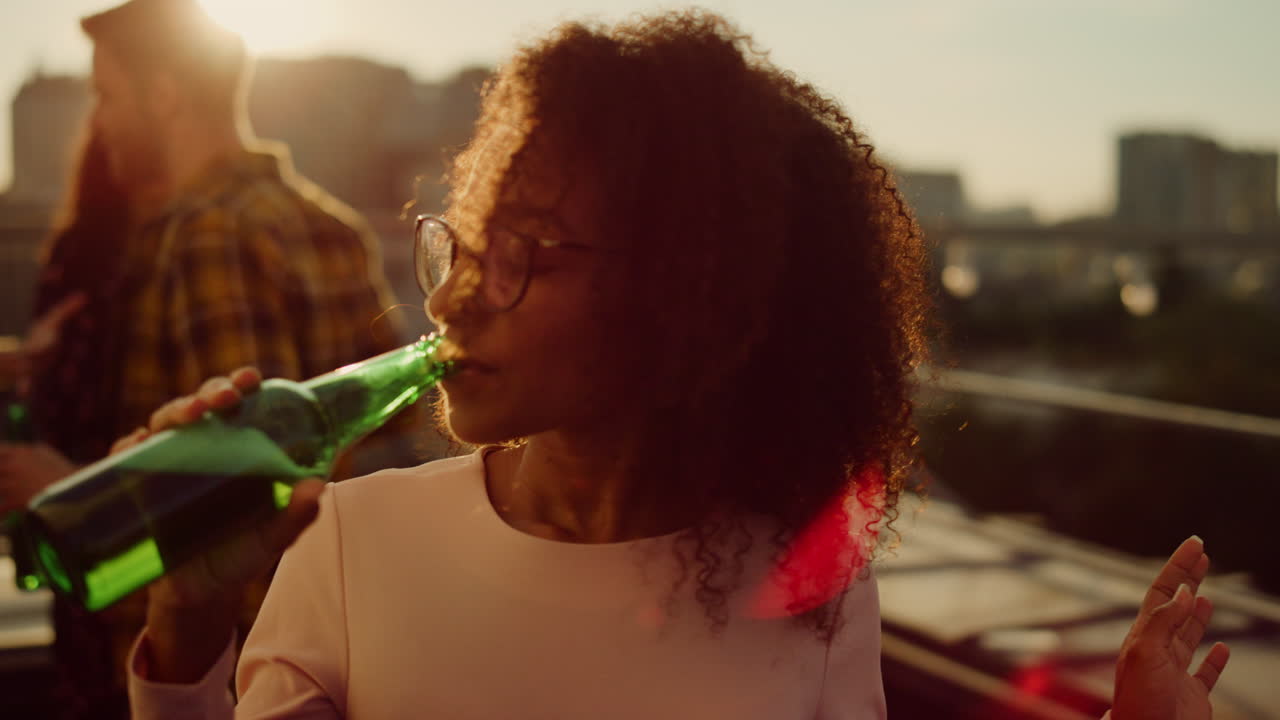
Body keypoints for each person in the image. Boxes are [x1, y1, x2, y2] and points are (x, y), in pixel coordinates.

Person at [114, 10, 1228, 719]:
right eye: (461, 241)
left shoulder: (810, 582)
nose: (450, 293)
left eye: (523, 258)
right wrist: (185, 641)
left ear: (686, 302)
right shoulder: (349, 545)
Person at [1, 0, 413, 715]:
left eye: (107, 95)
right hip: (321, 654)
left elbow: (239, 498)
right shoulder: (332, 223)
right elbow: (379, 460)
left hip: (211, 675)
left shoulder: (205, 234)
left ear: (164, 95)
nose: (99, 121)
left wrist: (63, 487)